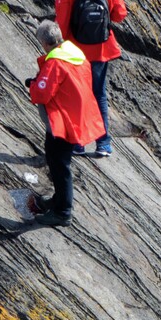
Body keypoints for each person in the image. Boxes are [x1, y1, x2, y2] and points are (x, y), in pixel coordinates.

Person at [24, 20, 102, 227]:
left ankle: (63, 212)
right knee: (59, 162)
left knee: (59, 165)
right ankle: (58, 201)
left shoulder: (55, 63)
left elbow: (42, 93)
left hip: (63, 122)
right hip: (77, 117)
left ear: (45, 43)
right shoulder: (76, 55)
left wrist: (32, 85)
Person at [53, 0, 127, 158]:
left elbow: (62, 25)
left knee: (77, 96)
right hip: (102, 49)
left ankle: (78, 143)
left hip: (76, 52)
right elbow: (120, 15)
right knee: (99, 95)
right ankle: (103, 143)